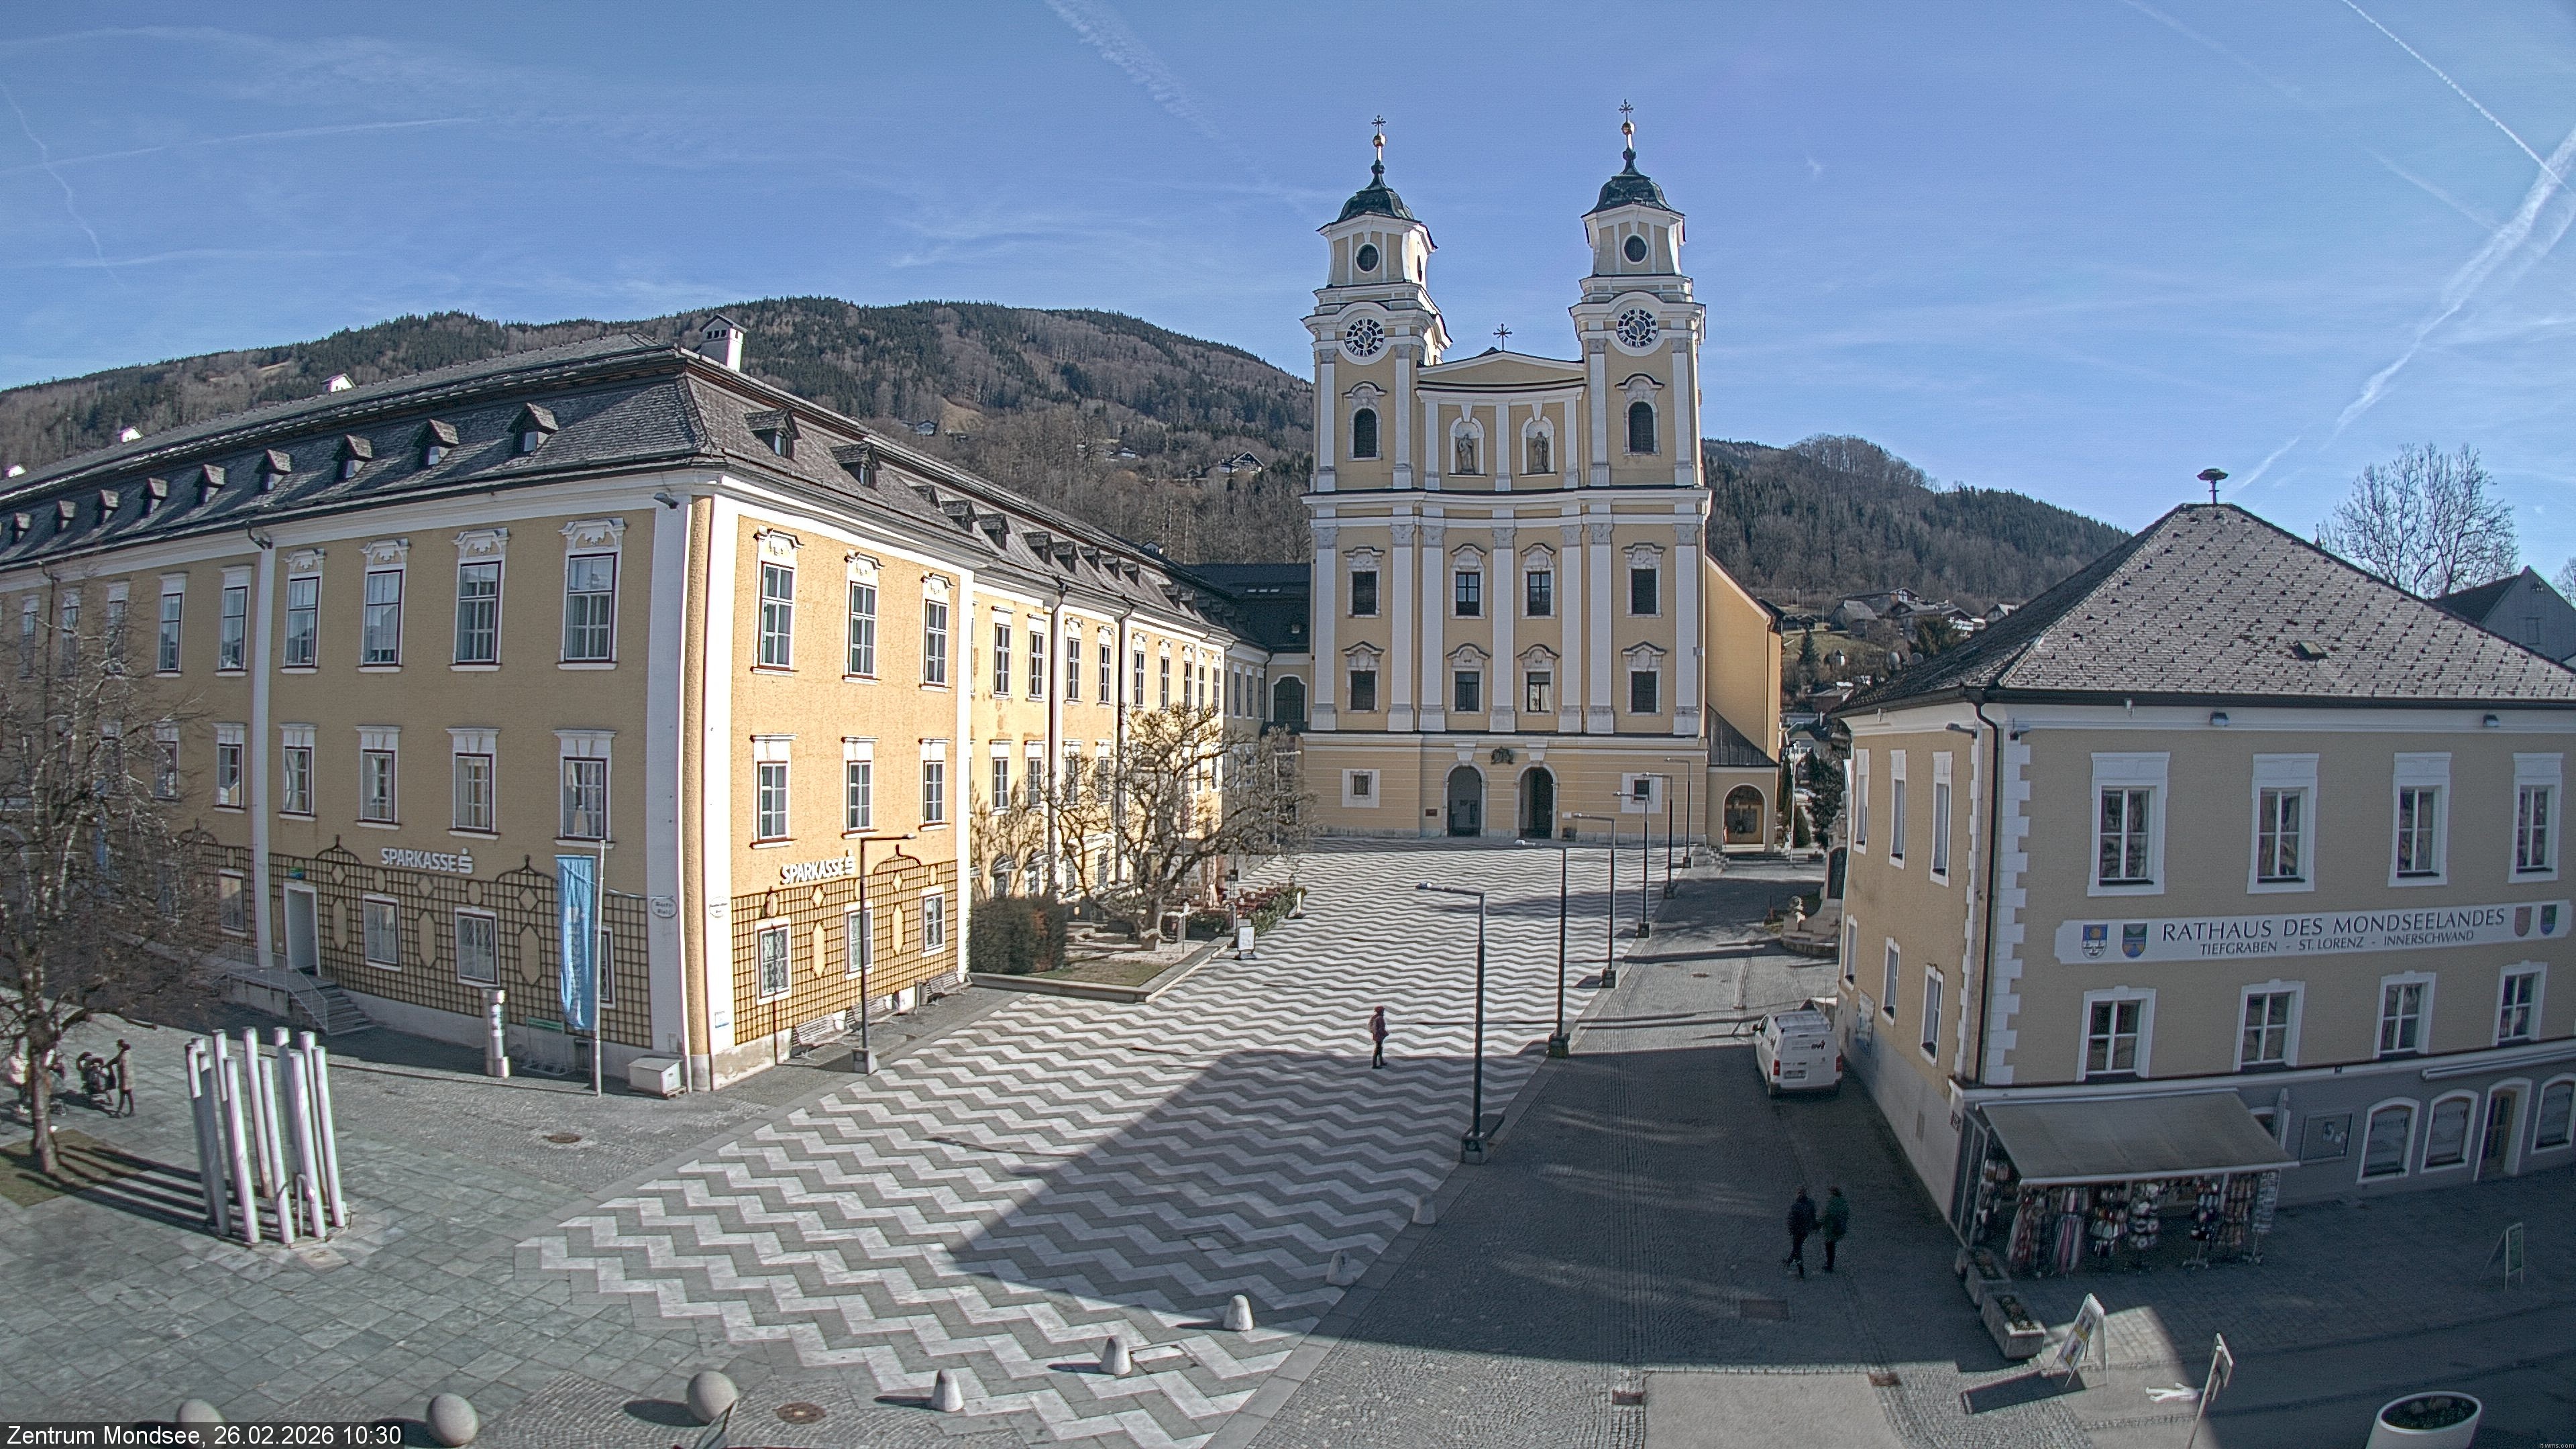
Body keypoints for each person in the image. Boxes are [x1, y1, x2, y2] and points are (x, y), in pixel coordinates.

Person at [1785, 1187, 1819, 1278]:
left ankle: (1801, 1270)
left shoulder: (1796, 1206)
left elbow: (1791, 1220)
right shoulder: (1811, 1204)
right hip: (1805, 1230)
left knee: (1798, 1249)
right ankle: (1789, 1261)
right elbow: (1813, 1217)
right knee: (1798, 1246)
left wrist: (1791, 1230)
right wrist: (1814, 1226)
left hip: (1797, 1231)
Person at [1821, 1186, 1850, 1273]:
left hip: (1830, 1227)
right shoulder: (1843, 1202)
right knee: (1833, 1246)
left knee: (1829, 1246)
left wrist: (1818, 1223)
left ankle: (1829, 1265)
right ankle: (1831, 1264)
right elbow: (1846, 1214)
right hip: (1839, 1227)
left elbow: (1827, 1215)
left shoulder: (1831, 1202)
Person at [113, 1040, 135, 1118]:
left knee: (123, 1094)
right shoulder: (126, 1053)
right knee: (129, 1094)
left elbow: (123, 1068)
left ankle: (119, 1112)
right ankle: (131, 1110)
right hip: (129, 1077)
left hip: (125, 1078)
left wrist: (122, 1083)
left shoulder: (123, 1056)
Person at [1369, 1006, 1389, 1070]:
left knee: (1380, 1049)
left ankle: (1381, 1061)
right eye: (1382, 1011)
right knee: (1378, 1050)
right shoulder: (1379, 1018)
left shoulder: (1374, 1017)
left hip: (1376, 1036)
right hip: (1379, 1037)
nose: (1383, 1012)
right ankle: (1375, 1064)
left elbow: (1370, 1027)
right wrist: (1384, 1033)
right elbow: (1380, 1029)